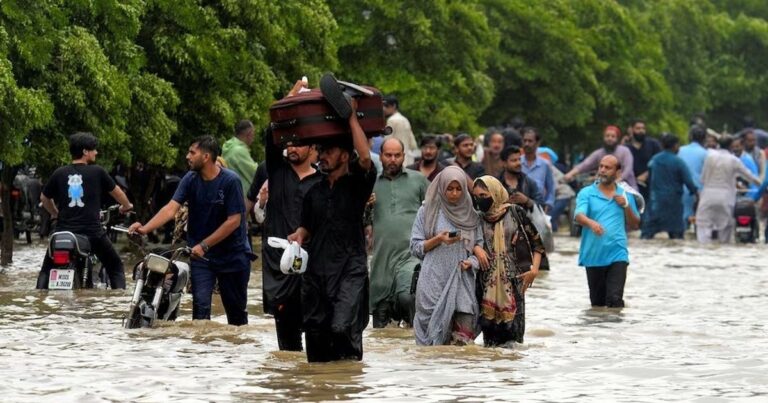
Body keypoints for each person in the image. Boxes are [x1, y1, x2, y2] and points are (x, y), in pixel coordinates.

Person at [287, 99, 376, 362]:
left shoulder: (357, 185)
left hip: (350, 269)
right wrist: (299, 235)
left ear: (345, 156)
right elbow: (307, 227)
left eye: (329, 150)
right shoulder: (313, 192)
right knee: (315, 336)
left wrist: (350, 117)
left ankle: (346, 380)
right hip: (316, 273)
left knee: (341, 328)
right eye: (321, 150)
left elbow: (366, 158)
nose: (322, 155)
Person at [129, 136, 251, 325]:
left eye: (192, 152)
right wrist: (145, 228)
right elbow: (170, 209)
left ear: (206, 156)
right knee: (200, 311)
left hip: (232, 256)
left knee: (236, 317)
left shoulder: (230, 181)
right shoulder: (190, 179)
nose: (187, 156)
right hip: (201, 257)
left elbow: (234, 221)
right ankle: (201, 344)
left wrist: (204, 245)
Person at [36, 132, 133, 289]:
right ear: (85, 152)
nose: (96, 152)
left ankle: (40, 298)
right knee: (115, 267)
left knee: (45, 271)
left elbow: (44, 198)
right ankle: (119, 300)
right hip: (92, 233)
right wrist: (126, 206)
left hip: (62, 233)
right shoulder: (98, 172)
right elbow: (118, 194)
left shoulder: (59, 172)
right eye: (93, 149)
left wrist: (55, 213)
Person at [410, 166, 485, 346]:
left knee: (462, 344)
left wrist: (471, 262)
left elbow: (479, 248)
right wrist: (438, 239)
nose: (454, 193)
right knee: (432, 347)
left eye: (459, 189)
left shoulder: (472, 216)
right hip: (433, 281)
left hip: (462, 280)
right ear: (441, 187)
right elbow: (415, 247)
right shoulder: (427, 211)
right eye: (449, 189)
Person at [472, 176, 544, 347]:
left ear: (495, 193)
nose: (479, 200)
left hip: (515, 282)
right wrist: (476, 248)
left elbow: (538, 244)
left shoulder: (515, 213)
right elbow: (468, 242)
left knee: (514, 342)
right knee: (490, 344)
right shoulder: (477, 218)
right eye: (476, 196)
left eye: (483, 195)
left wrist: (534, 271)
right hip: (485, 284)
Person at [369, 138, 429, 328]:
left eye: (397, 155)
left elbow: (434, 212)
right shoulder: (370, 183)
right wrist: (365, 205)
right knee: (380, 317)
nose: (393, 159)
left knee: (407, 297)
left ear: (404, 156)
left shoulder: (418, 180)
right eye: (388, 155)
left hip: (410, 255)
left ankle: (416, 341)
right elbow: (359, 222)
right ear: (381, 156)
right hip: (381, 260)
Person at [573, 155, 640, 308]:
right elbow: (578, 215)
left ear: (618, 172)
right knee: (597, 305)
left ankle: (617, 324)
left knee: (615, 301)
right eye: (601, 166)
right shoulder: (587, 193)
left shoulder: (625, 194)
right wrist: (591, 223)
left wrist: (626, 206)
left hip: (618, 253)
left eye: (608, 168)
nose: (602, 170)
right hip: (594, 255)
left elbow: (635, 224)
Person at [696, 136, 761, 243]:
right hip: (725, 199)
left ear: (718, 144)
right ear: (731, 146)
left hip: (707, 197)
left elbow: (702, 179)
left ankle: (703, 251)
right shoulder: (734, 160)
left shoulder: (709, 157)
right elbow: (750, 176)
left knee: (703, 228)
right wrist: (762, 186)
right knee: (725, 232)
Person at [642, 134, 698, 239]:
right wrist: (695, 192)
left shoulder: (654, 160)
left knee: (647, 235)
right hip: (673, 205)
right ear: (676, 146)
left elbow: (648, 176)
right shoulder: (679, 162)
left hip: (656, 202)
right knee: (676, 236)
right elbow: (689, 182)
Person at [564, 126, 638, 189]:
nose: (610, 138)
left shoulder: (625, 151)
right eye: (607, 136)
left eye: (613, 136)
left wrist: (617, 180)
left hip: (627, 188)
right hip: (605, 189)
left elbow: (628, 169)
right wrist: (570, 174)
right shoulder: (599, 153)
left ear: (617, 138)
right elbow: (585, 165)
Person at [677, 125, 709, 228]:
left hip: (681, 188)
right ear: (704, 139)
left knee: (682, 219)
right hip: (699, 190)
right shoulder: (706, 154)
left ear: (690, 136)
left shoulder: (680, 150)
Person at [497, 145, 544, 210]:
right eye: (514, 160)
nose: (518, 163)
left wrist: (527, 201)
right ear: (504, 163)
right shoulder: (496, 183)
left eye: (519, 159)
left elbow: (541, 205)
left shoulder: (529, 182)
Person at [520, 127, 555, 211]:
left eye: (530, 141)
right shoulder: (517, 163)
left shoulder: (545, 165)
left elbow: (551, 188)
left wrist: (548, 205)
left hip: (538, 209)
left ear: (537, 143)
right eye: (525, 141)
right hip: (519, 209)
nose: (526, 144)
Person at [627, 119, 661, 200]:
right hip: (631, 187)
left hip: (651, 187)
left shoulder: (653, 144)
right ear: (631, 130)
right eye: (638, 128)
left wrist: (646, 174)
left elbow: (659, 162)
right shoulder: (626, 148)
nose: (641, 131)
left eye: (643, 128)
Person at [222, 120, 259, 195]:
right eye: (253, 134)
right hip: (240, 195)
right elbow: (255, 173)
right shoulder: (239, 151)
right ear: (249, 134)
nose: (253, 138)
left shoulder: (228, 147)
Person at [383, 95, 419, 166]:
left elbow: (386, 143)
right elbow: (413, 145)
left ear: (394, 106)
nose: (384, 109)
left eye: (386, 106)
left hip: (395, 161)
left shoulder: (391, 120)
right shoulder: (405, 120)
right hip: (408, 161)